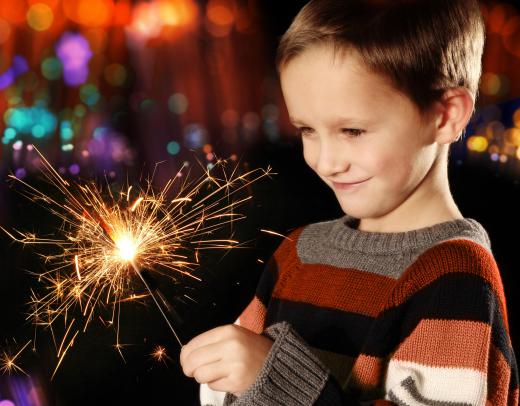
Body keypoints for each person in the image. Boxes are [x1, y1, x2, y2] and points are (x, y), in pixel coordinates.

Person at [180, 0, 519, 404]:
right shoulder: (299, 252)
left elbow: (266, 381)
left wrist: (274, 378)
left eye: (353, 130)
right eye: (307, 129)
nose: (325, 161)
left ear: (445, 117)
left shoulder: (454, 275)